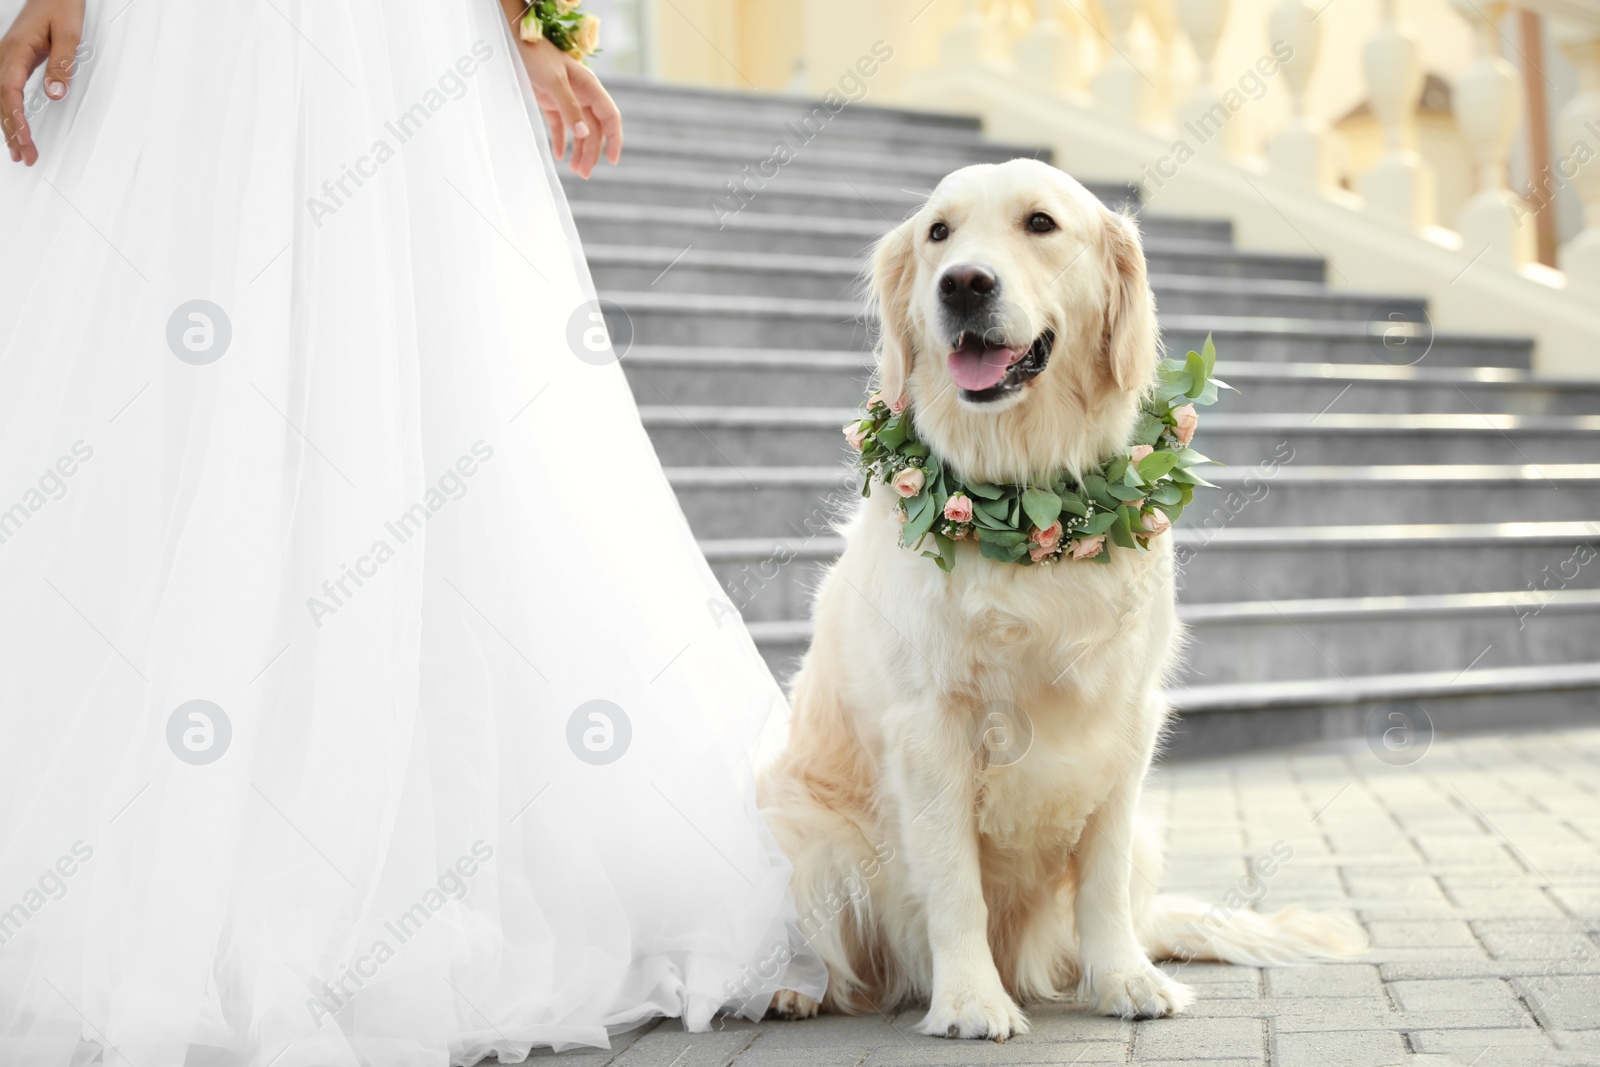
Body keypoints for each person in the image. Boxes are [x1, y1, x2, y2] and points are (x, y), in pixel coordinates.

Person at [0, 1, 824, 1063]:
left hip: (384, 46)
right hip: (184, 41)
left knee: (406, 400)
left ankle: (364, 868)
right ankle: (153, 872)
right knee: (148, 395)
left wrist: (539, 26)